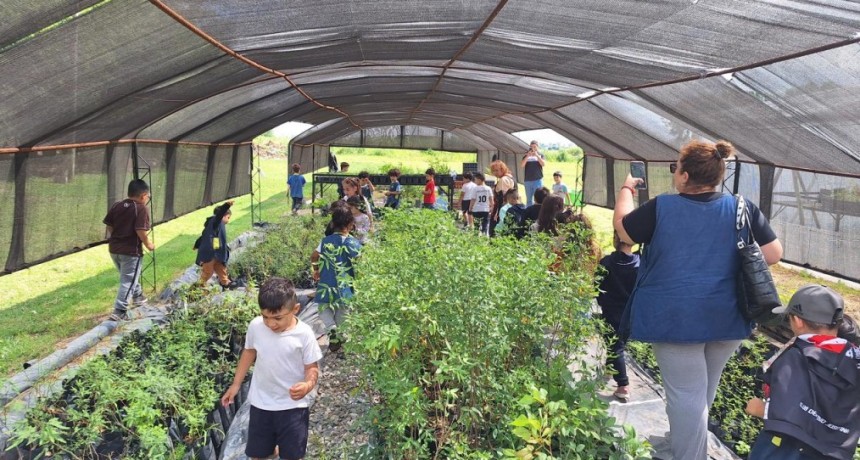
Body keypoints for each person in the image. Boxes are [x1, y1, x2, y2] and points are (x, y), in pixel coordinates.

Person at [614, 139, 783, 460]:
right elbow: (773, 254)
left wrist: (626, 190)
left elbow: (624, 231)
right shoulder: (741, 207)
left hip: (677, 319)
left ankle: (689, 455)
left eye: (676, 168)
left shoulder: (662, 207)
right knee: (701, 390)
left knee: (686, 395)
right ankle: (684, 441)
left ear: (685, 176)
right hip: (729, 316)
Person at [745, 284, 859, 460]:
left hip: (786, 450)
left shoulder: (797, 355)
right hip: (834, 453)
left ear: (797, 321)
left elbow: (787, 412)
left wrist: (759, 408)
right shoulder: (853, 356)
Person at [220, 277, 322, 460]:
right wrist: (236, 385)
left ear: (295, 309)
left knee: (292, 455)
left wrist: (307, 385)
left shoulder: (304, 334)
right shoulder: (256, 326)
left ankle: (281, 449)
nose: (271, 324)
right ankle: (272, 449)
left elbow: (312, 368)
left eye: (277, 318)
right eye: (265, 317)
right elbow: (249, 352)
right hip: (261, 403)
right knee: (258, 455)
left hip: (293, 407)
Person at [596, 232, 639, 402]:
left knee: (615, 346)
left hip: (610, 310)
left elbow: (597, 286)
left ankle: (623, 385)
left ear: (615, 238)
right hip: (630, 312)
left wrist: (602, 301)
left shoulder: (606, 262)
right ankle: (610, 367)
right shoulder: (640, 264)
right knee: (618, 344)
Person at [103, 179, 154, 321]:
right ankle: (119, 310)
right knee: (128, 280)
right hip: (131, 251)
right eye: (148, 196)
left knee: (129, 277)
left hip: (114, 249)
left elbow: (109, 225)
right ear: (143, 195)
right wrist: (148, 244)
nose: (147, 199)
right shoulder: (141, 208)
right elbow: (140, 230)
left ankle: (138, 296)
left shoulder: (117, 205)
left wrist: (116, 236)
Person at [311, 207, 362, 347]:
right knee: (342, 311)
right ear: (351, 224)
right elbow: (360, 261)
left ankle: (331, 329)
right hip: (345, 284)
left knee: (323, 307)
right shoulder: (352, 243)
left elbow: (314, 256)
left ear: (333, 224)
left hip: (327, 281)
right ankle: (341, 336)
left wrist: (316, 269)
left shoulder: (326, 241)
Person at [195, 201, 239, 290]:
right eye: (228, 217)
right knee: (208, 272)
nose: (228, 220)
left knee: (221, 267)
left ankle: (226, 283)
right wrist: (226, 206)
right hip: (209, 253)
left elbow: (204, 235)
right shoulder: (216, 221)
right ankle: (196, 288)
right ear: (223, 215)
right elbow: (219, 215)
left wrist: (197, 244)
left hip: (217, 252)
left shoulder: (214, 226)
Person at [490, 160, 516, 236]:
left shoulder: (503, 180)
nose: (495, 173)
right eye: (493, 171)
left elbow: (503, 198)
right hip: (510, 207)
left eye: (497, 170)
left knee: (495, 231)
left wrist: (497, 213)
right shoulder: (510, 177)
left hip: (502, 209)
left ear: (503, 169)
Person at [520, 140, 546, 207]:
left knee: (538, 198)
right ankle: (529, 214)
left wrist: (536, 155)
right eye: (531, 147)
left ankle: (538, 213)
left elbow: (543, 164)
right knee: (529, 199)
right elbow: (522, 165)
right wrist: (527, 156)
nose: (533, 148)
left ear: (538, 147)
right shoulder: (526, 155)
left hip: (537, 180)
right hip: (528, 180)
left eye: (534, 147)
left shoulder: (540, 155)